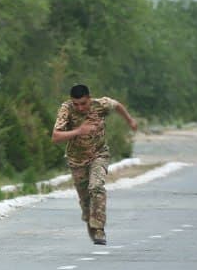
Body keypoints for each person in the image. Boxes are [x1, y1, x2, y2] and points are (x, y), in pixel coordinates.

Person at [51, 84, 138, 246]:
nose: (80, 108)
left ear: (89, 98)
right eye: (76, 104)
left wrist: (130, 121)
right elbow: (55, 137)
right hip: (76, 160)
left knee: (96, 186)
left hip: (99, 154)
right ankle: (90, 220)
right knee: (85, 200)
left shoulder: (100, 104)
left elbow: (117, 105)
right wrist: (78, 131)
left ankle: (99, 229)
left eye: (83, 103)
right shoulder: (66, 109)